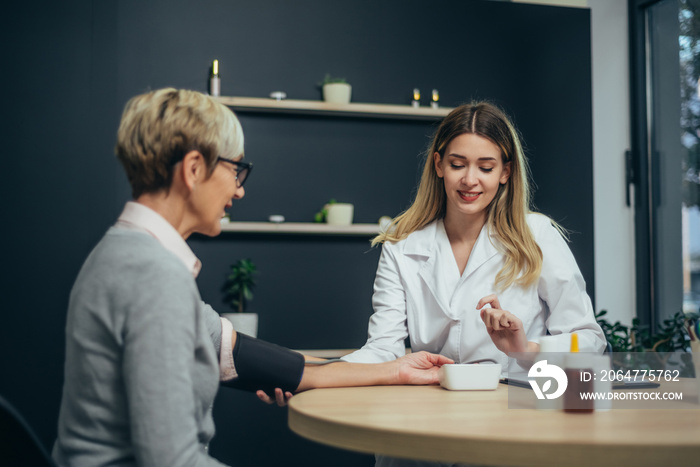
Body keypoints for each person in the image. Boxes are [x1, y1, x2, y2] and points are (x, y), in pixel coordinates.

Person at [52, 88, 453, 467]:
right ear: (193, 168)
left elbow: (235, 352)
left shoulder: (125, 251)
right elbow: (171, 460)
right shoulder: (154, 277)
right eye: (236, 169)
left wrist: (394, 370)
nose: (240, 190)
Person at [341, 100, 605, 467]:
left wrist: (525, 347)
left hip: (514, 425)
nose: (470, 180)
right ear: (438, 165)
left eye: (486, 167)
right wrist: (316, 376)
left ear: (506, 172)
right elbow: (382, 349)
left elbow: (589, 341)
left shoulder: (537, 236)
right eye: (457, 164)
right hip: (422, 427)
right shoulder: (401, 245)